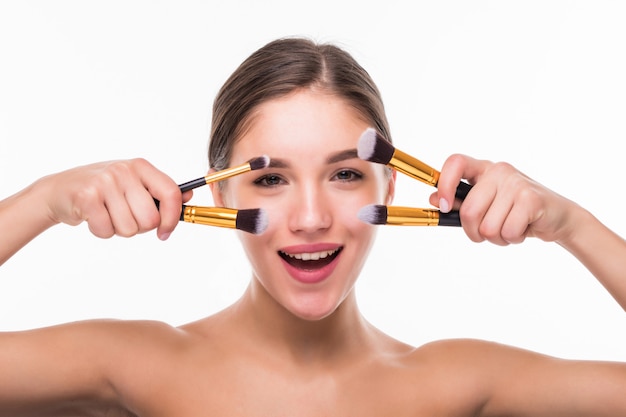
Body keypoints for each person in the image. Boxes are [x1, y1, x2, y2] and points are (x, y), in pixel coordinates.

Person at [1, 36, 625, 416]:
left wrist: (574, 225)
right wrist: (41, 202)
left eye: (346, 175)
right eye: (270, 179)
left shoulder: (458, 384)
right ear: (218, 192)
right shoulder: (134, 365)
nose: (309, 219)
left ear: (390, 184)